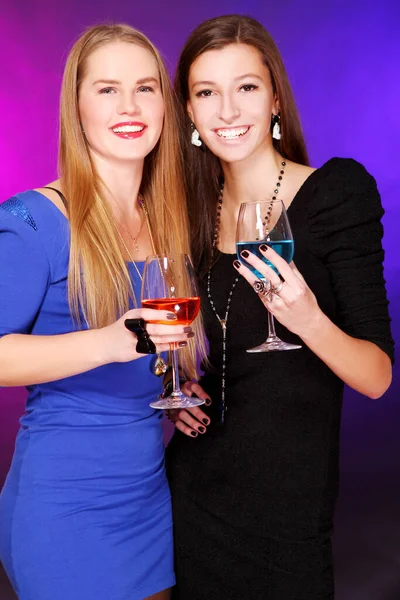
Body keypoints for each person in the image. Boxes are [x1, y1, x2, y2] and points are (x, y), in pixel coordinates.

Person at [166, 14, 394, 599]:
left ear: (273, 99)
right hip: (193, 498)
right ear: (189, 113)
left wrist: (308, 319)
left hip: (286, 516)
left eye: (246, 87)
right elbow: (216, 346)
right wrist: (188, 389)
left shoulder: (334, 194)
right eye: (206, 93)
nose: (228, 111)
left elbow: (376, 377)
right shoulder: (193, 216)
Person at [0, 23, 201, 600]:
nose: (130, 106)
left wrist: (178, 388)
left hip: (147, 497)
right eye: (107, 89)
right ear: (77, 106)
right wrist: (110, 343)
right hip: (63, 504)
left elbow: (148, 351)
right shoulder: (33, 218)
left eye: (145, 88)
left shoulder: (167, 218)